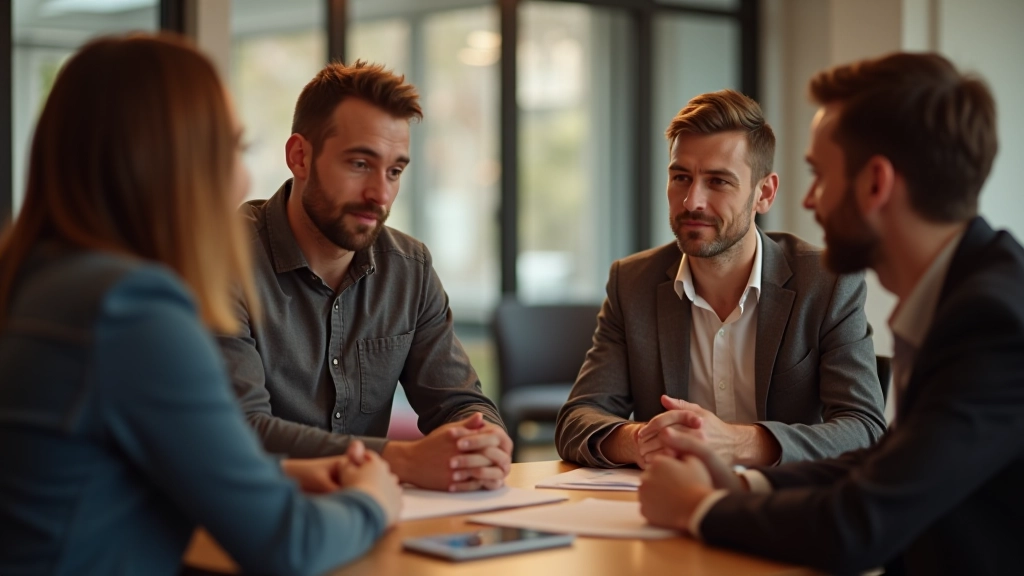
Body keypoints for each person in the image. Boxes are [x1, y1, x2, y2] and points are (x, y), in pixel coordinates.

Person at [0, 34, 402, 576]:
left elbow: (115, 468)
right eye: (233, 147)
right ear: (171, 160)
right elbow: (289, 546)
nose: (242, 176)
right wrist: (373, 498)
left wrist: (283, 474)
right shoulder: (132, 310)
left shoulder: (42, 280)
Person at [638, 52, 1024, 575]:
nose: (811, 201)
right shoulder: (967, 290)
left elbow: (860, 524)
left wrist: (700, 508)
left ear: (875, 184)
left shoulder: (992, 321)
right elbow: (888, 468)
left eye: (819, 175)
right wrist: (742, 482)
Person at [217, 61, 512, 492]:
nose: (381, 193)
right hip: (251, 525)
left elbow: (460, 402)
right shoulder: (223, 260)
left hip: (375, 520)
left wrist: (483, 439)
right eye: (359, 164)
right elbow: (242, 429)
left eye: (395, 171)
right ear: (300, 156)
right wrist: (402, 459)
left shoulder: (409, 269)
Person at [555, 89, 885, 470]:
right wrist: (644, 440)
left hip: (783, 512)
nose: (692, 201)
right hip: (669, 508)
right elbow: (577, 420)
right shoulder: (632, 283)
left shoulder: (826, 282)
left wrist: (737, 443)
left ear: (764, 193)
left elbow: (864, 429)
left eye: (718, 182)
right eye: (681, 177)